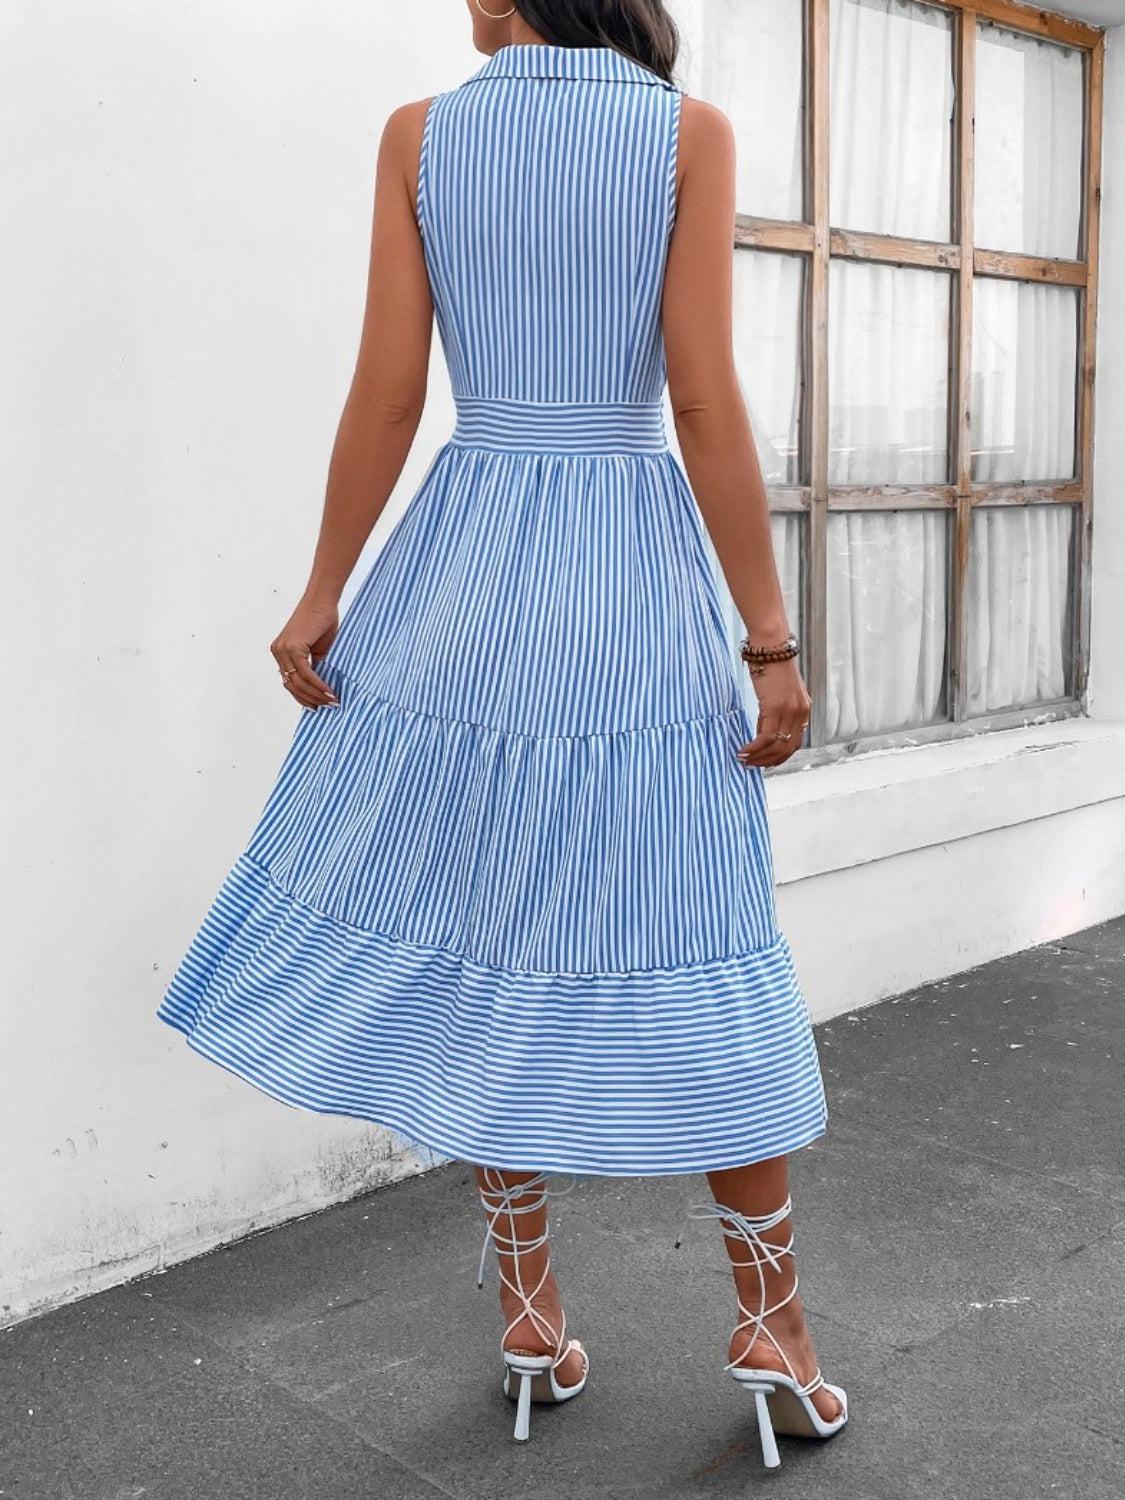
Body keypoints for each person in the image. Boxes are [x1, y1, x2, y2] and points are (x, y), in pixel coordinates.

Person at [156, 0, 846, 1467]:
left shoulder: (423, 135)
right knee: (690, 924)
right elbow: (704, 398)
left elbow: (391, 391)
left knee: (486, 924)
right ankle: (770, 1322)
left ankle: (532, 1306)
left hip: (460, 582)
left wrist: (326, 588)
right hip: (624, 584)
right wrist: (768, 638)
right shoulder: (683, 133)